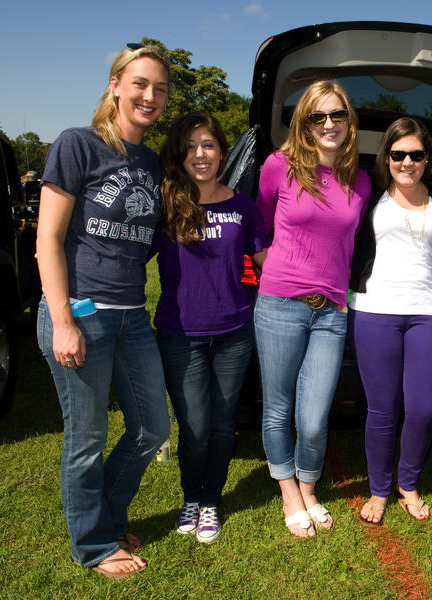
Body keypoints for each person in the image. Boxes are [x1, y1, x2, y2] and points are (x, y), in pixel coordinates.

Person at [36, 44, 172, 578]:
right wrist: (63, 320)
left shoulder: (151, 161)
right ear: (115, 84)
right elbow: (48, 239)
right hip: (80, 312)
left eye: (160, 89)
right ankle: (93, 545)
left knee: (153, 428)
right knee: (87, 436)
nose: (150, 96)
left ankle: (109, 518)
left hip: (132, 314)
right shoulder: (79, 145)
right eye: (140, 84)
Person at [254, 80, 370, 537]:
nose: (328, 124)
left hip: (331, 312)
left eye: (336, 115)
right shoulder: (278, 166)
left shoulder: (358, 179)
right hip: (280, 305)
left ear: (349, 121)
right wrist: (271, 266)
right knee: (279, 408)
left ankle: (309, 483)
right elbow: (258, 224)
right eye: (316, 116)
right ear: (303, 122)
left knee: (315, 414)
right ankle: (291, 494)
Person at [153, 112, 268, 544]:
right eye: (191, 146)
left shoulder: (242, 205)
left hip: (234, 332)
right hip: (179, 334)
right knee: (195, 427)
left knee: (222, 426)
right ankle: (191, 495)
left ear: (223, 151)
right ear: (180, 153)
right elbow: (128, 255)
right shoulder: (166, 204)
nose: (200, 154)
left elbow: (265, 261)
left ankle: (211, 501)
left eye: (209, 145)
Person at [349, 118, 432, 526]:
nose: (407, 162)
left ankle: (408, 483)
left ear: (427, 159)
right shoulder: (368, 194)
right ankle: (378, 489)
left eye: (416, 155)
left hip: (427, 311)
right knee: (382, 408)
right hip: (375, 309)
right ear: (386, 157)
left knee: (423, 408)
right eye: (398, 154)